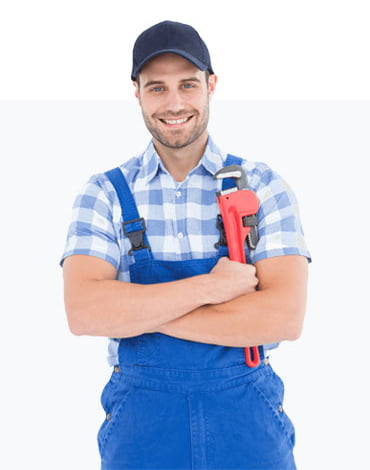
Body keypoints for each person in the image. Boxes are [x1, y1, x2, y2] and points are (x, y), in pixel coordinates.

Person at [61, 20, 311, 470]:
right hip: (143, 430)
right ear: (136, 91)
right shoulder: (103, 194)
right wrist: (209, 290)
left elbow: (284, 318)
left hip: (247, 425)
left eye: (188, 85)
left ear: (211, 86)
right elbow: (84, 313)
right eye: (156, 88)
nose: (174, 103)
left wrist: (140, 313)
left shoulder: (262, 187)